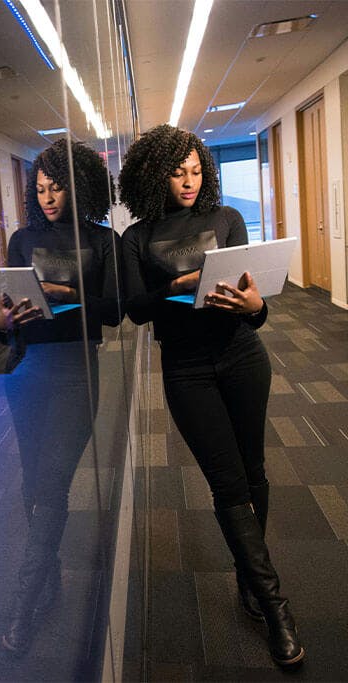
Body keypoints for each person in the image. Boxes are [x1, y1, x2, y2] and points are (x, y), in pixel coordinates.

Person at [118, 124, 304, 667]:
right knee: (227, 484)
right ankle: (275, 607)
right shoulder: (137, 237)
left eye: (197, 171)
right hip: (186, 368)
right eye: (178, 172)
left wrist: (256, 307)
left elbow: (255, 305)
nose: (190, 181)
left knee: (254, 469)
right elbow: (135, 309)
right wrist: (176, 287)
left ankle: (250, 578)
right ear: (156, 175)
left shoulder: (226, 219)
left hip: (242, 355)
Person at [0, 140, 121, 654]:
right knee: (32, 486)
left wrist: (69, 294)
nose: (47, 197)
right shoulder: (21, 240)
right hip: (27, 371)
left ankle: (23, 605)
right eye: (41, 188)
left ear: (79, 186)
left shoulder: (102, 240)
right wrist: (3, 322)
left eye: (57, 187)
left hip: (75, 373)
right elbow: (5, 321)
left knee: (51, 486)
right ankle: (49, 578)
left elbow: (115, 312)